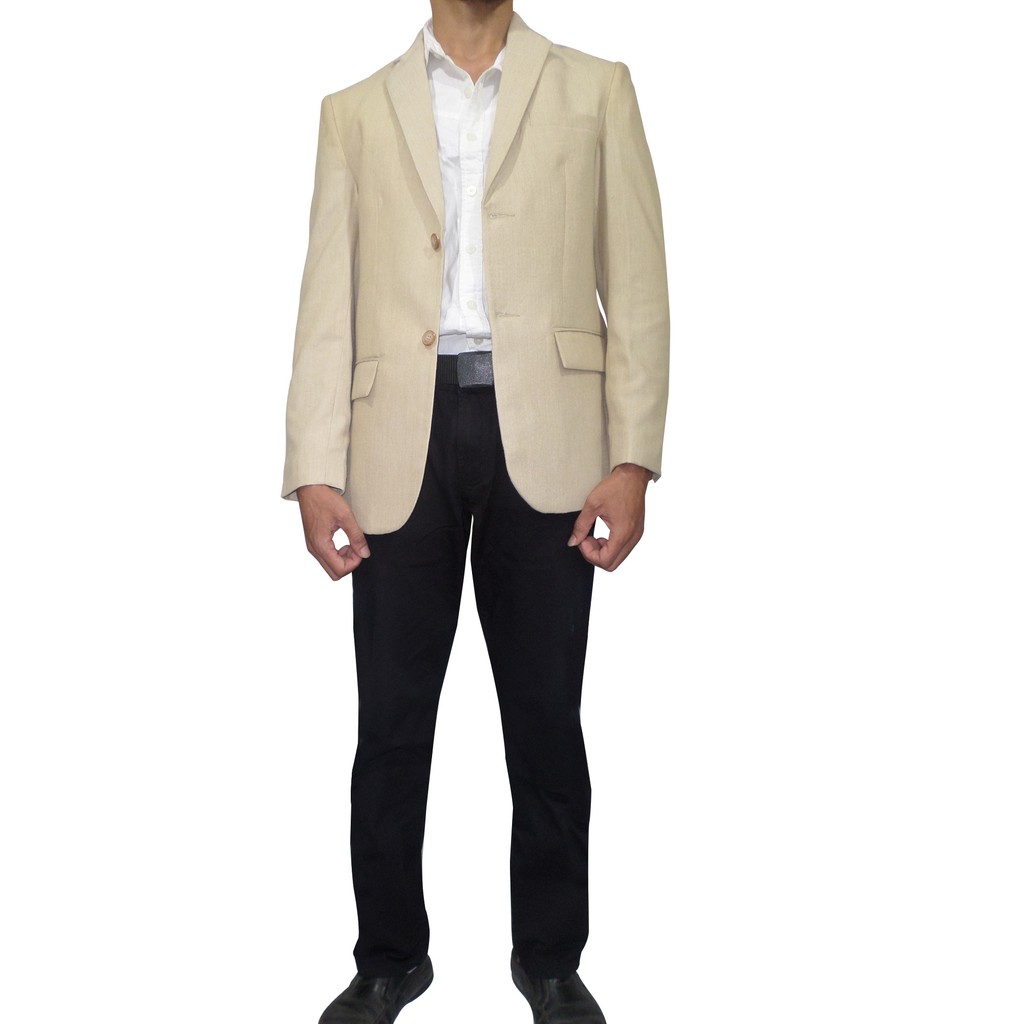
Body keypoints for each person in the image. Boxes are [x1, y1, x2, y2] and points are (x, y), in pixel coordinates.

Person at [281, 1, 668, 1020]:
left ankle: (550, 958)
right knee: (389, 724)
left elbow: (636, 285)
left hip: (552, 441)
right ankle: (388, 957)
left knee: (545, 721)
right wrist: (313, 465)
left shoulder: (596, 89)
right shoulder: (353, 111)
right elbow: (326, 300)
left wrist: (633, 457)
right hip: (395, 441)